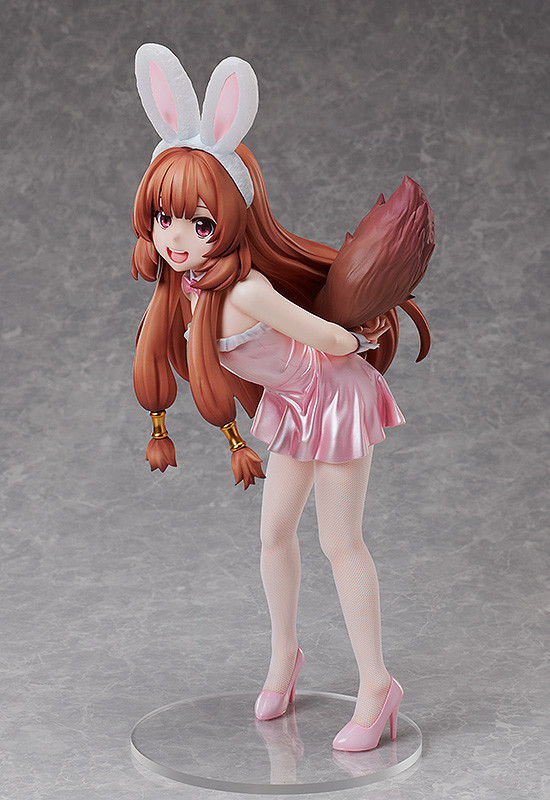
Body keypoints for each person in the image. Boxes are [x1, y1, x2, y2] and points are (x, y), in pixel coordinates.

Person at [131, 44, 434, 751]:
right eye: (165, 218)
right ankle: (284, 658)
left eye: (199, 223)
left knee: (339, 541)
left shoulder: (246, 290)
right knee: (273, 535)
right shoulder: (186, 290)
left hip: (334, 394)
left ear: (230, 220)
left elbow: (321, 338)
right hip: (296, 405)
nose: (177, 238)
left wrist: (358, 339)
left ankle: (377, 688)